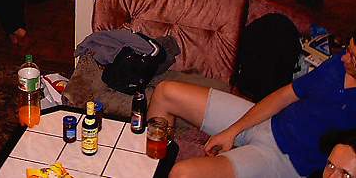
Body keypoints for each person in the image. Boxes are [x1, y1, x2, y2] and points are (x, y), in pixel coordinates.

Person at [147, 35, 356, 178]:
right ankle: (146, 169)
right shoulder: (338, 65)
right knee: (165, 92)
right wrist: (233, 131)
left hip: (283, 160)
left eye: (354, 57)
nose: (345, 57)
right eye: (349, 49)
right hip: (269, 122)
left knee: (182, 174)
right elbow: (284, 96)